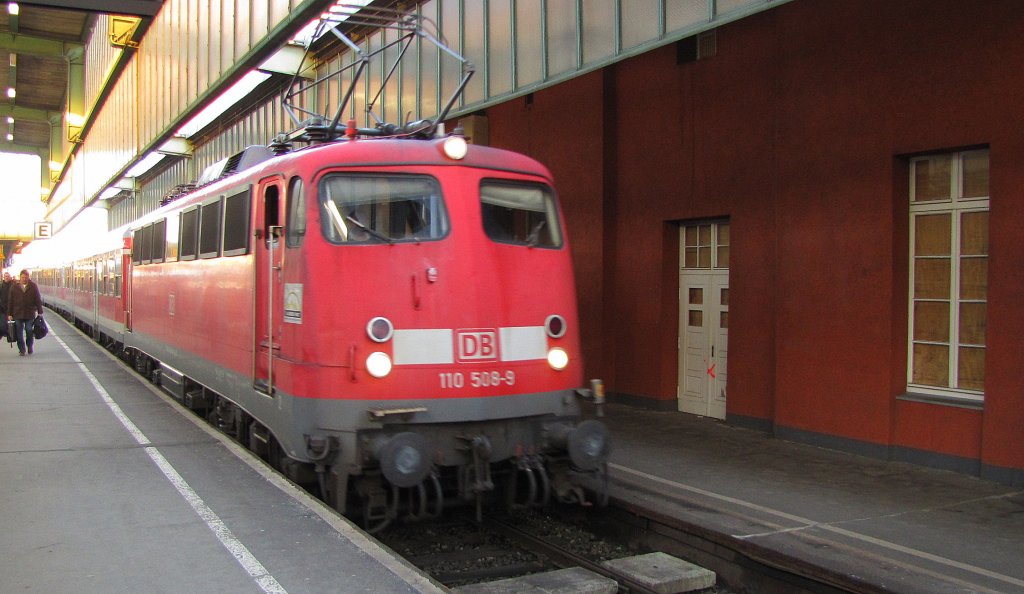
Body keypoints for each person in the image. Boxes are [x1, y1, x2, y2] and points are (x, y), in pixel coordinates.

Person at [7, 269, 43, 356]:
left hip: (29, 313)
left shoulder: (33, 286)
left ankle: (29, 346)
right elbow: (10, 301)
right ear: (20, 277)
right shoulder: (14, 287)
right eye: (22, 277)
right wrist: (9, 314)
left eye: (26, 277)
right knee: (19, 332)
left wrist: (40, 312)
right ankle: (22, 349)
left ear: (28, 277)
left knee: (29, 330)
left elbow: (37, 299)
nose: (24, 279)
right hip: (17, 313)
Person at [0, 271, 12, 341]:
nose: (7, 278)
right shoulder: (1, 286)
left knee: (12, 326)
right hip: (3, 309)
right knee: (3, 326)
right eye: (5, 276)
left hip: (12, 310)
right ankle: (6, 334)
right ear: (4, 277)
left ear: (10, 277)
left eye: (8, 276)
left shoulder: (13, 286)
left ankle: (11, 336)